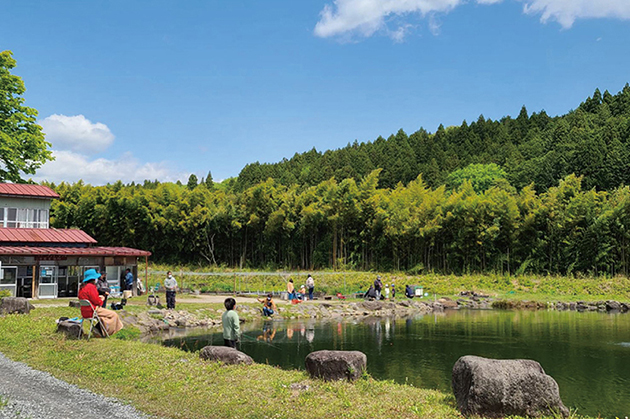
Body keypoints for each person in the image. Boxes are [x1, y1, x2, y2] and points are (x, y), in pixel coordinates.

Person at [78, 269, 123, 336]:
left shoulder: (82, 287)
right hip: (93, 310)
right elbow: (97, 301)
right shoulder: (91, 287)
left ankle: (98, 330)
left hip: (84, 312)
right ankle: (106, 332)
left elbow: (88, 298)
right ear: (93, 279)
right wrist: (102, 299)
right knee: (114, 314)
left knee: (104, 317)